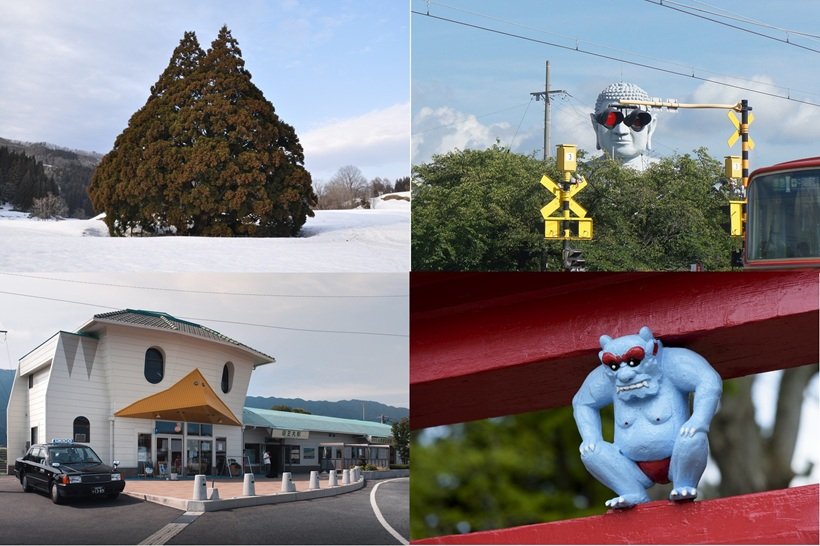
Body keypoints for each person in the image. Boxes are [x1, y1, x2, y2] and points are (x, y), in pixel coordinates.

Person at [590, 82, 659, 171]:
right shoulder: (578, 176)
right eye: (610, 119)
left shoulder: (669, 175)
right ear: (596, 125)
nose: (621, 131)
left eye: (636, 121)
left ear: (650, 128)